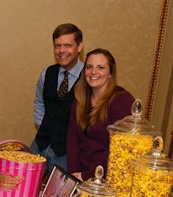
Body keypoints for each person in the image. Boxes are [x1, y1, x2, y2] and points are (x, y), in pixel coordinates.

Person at [67, 48, 135, 181]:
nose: (93, 72)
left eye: (101, 67)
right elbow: (72, 139)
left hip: (106, 179)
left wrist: (87, 176)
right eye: (89, 67)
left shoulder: (122, 101)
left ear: (110, 73)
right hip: (79, 176)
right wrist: (74, 174)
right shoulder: (80, 99)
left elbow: (115, 149)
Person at [31, 23, 84, 174]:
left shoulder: (89, 78)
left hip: (67, 155)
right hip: (39, 147)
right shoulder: (46, 73)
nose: (61, 51)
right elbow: (39, 102)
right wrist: (43, 125)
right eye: (57, 46)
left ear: (79, 47)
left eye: (67, 45)